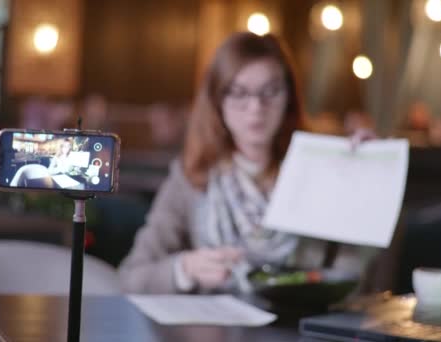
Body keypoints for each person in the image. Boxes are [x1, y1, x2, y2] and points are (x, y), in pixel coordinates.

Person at [118, 32, 379, 294]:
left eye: (270, 91)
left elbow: (356, 277)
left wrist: (369, 176)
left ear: (288, 97)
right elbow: (132, 276)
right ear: (217, 100)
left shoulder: (318, 170)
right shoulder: (191, 177)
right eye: (238, 92)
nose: (255, 107)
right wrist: (184, 268)